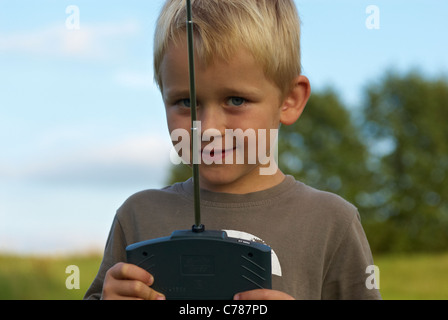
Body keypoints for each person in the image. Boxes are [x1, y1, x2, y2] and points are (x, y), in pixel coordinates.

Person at [84, 0, 381, 300]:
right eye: (186, 103)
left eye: (236, 100)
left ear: (290, 100)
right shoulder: (138, 216)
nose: (208, 128)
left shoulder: (332, 222)